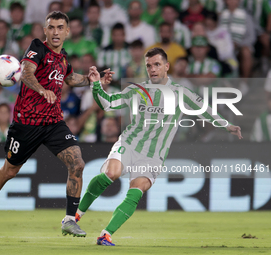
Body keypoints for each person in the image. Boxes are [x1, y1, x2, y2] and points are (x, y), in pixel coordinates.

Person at [77, 47, 243, 246]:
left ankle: (106, 234)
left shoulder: (180, 93)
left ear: (167, 66)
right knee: (110, 174)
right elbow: (108, 104)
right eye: (149, 66)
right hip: (129, 144)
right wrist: (96, 85)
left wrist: (228, 126)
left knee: (136, 189)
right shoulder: (136, 90)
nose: (153, 69)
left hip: (153, 156)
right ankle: (76, 215)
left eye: (157, 65)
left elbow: (205, 111)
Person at [0, 11, 113, 237]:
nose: (56, 32)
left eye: (60, 27)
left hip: (53, 122)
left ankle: (69, 219)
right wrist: (41, 89)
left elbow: (69, 78)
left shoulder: (64, 58)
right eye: (51, 27)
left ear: (67, 32)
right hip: (26, 124)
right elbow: (27, 73)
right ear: (45, 30)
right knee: (9, 171)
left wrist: (91, 80)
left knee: (77, 163)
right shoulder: (37, 47)